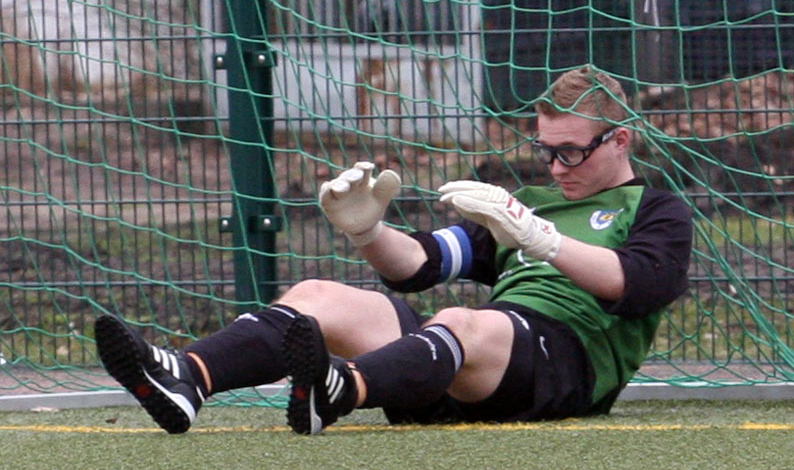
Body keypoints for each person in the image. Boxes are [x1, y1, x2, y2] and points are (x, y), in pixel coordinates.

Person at [94, 64, 693, 435]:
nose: (556, 166)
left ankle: (341, 389)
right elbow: (420, 266)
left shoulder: (656, 210)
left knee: (466, 321)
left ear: (620, 139)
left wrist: (542, 238)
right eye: (546, 150)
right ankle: (188, 377)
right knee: (318, 295)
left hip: (561, 375)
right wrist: (369, 232)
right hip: (462, 368)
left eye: (572, 151)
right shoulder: (530, 201)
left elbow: (638, 284)